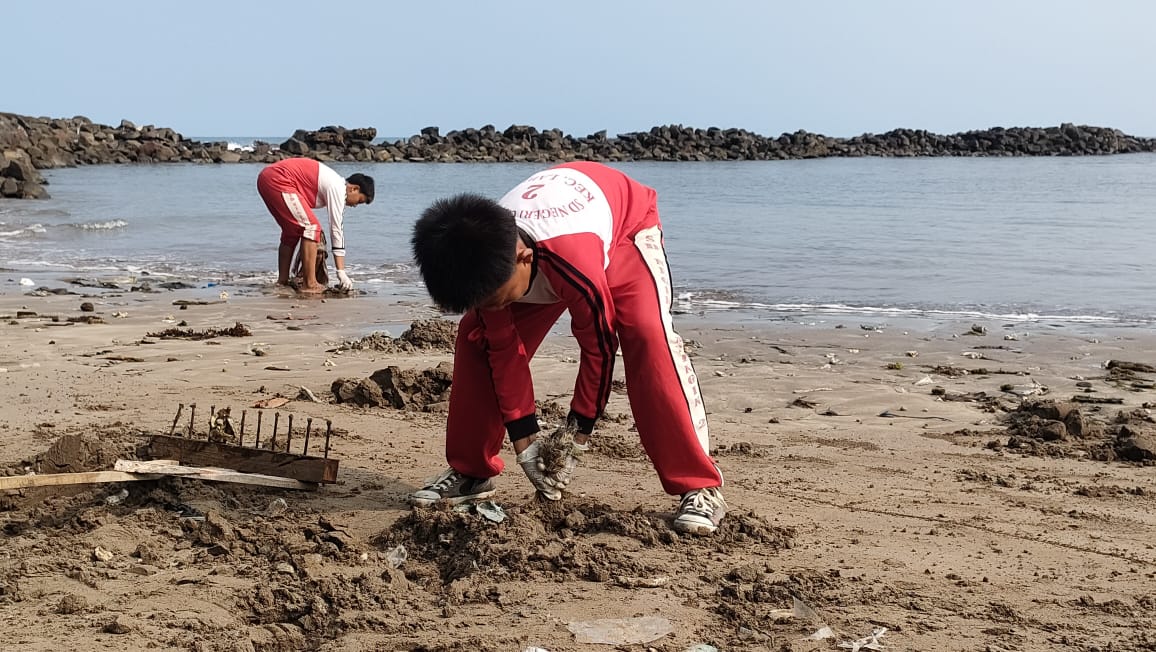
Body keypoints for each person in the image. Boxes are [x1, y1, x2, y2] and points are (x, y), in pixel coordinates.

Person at [409, 161, 726, 535]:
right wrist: (525, 441)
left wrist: (574, 439)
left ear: (522, 259)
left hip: (624, 228)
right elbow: (504, 352)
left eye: (495, 299)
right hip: (544, 252)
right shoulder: (481, 253)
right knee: (475, 336)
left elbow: (599, 347)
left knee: (646, 334)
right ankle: (471, 472)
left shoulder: (573, 263)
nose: (494, 307)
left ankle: (700, 486)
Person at [256, 157, 374, 293]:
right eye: (359, 201)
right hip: (278, 179)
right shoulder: (338, 188)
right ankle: (309, 284)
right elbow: (336, 229)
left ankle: (282, 281)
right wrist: (341, 272)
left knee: (291, 231)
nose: (354, 205)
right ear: (354, 188)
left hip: (266, 178)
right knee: (312, 228)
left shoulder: (333, 183)